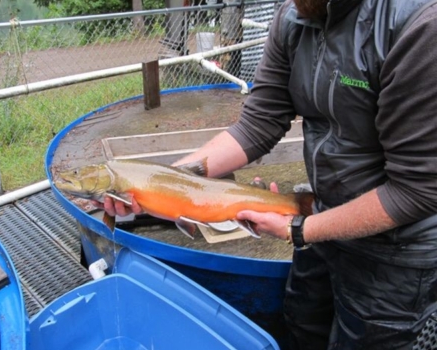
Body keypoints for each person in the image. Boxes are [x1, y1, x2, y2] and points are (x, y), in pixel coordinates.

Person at [94, 0, 437, 348]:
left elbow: (417, 191)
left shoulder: (419, 26)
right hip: (319, 215)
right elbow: (259, 124)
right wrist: (159, 182)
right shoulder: (293, 15)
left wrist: (297, 230)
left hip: (397, 250)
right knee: (303, 327)